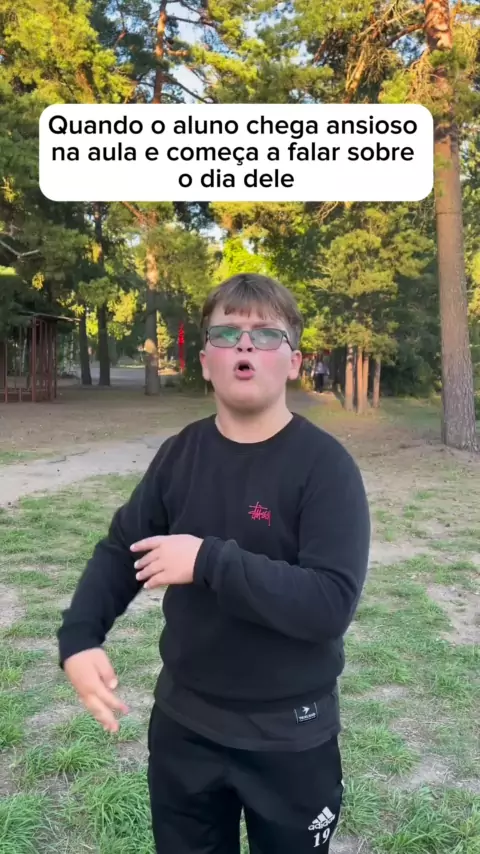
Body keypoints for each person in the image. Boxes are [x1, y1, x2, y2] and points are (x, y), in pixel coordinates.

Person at [57, 273, 370, 854]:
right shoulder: (180, 454)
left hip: (290, 734)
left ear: (294, 362)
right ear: (206, 362)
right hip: (186, 725)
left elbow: (329, 603)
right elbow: (121, 549)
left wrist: (207, 559)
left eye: (266, 334)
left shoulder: (326, 468)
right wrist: (79, 638)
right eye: (226, 334)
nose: (244, 345)